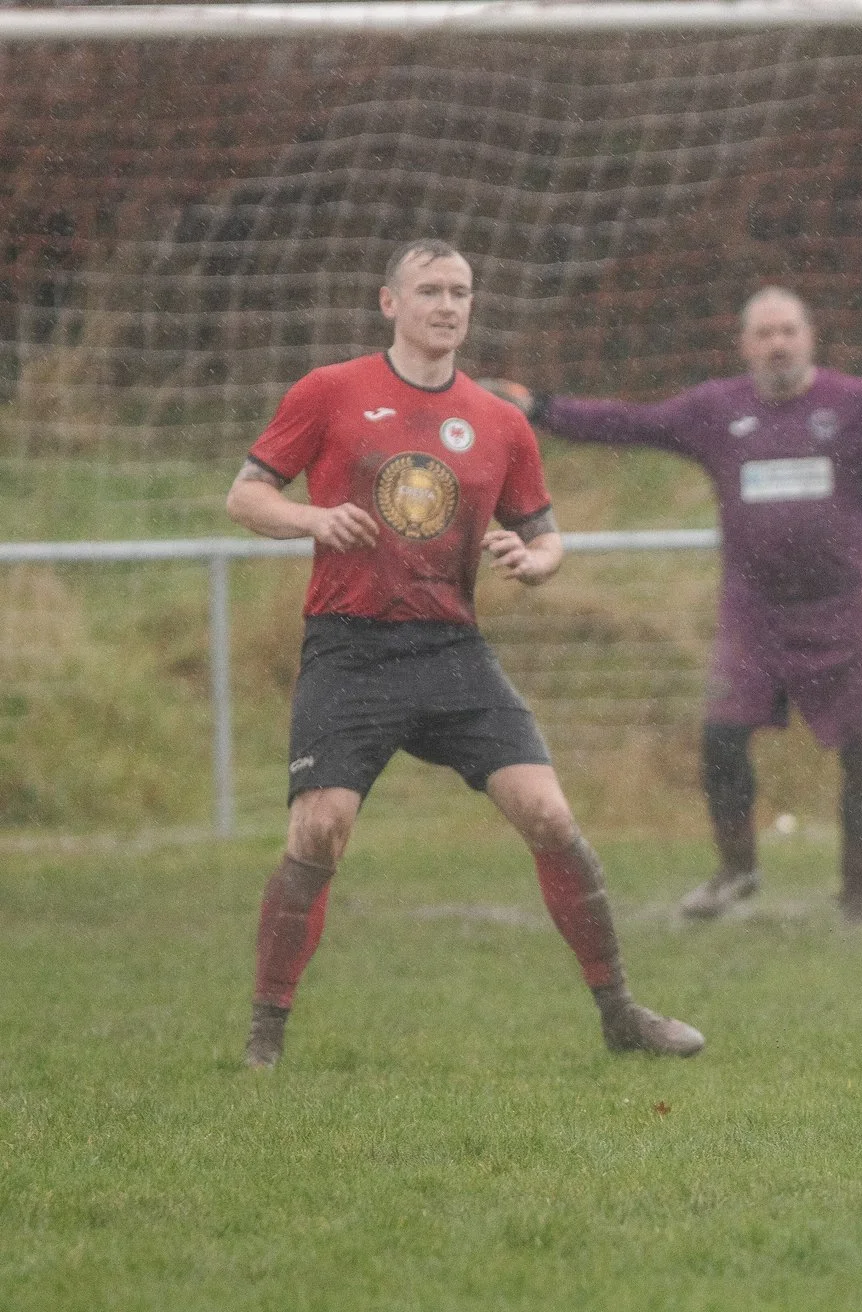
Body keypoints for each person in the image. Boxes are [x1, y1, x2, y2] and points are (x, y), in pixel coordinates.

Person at [228, 238, 703, 1069]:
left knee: (550, 815)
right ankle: (266, 1033)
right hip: (351, 650)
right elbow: (246, 494)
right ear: (390, 303)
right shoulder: (331, 391)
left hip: (452, 650)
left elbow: (547, 537)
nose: (446, 306)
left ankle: (621, 1013)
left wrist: (535, 561)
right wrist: (312, 519)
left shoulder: (499, 421)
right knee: (320, 829)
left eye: (460, 292)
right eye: (429, 291)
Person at [482, 288, 862, 921]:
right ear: (745, 345)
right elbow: (633, 423)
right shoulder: (716, 410)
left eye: (788, 331)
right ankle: (736, 871)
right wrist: (540, 408)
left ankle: (857, 904)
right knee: (723, 738)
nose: (777, 344)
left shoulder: (855, 407)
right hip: (753, 613)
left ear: (810, 337)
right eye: (764, 334)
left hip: (845, 610)